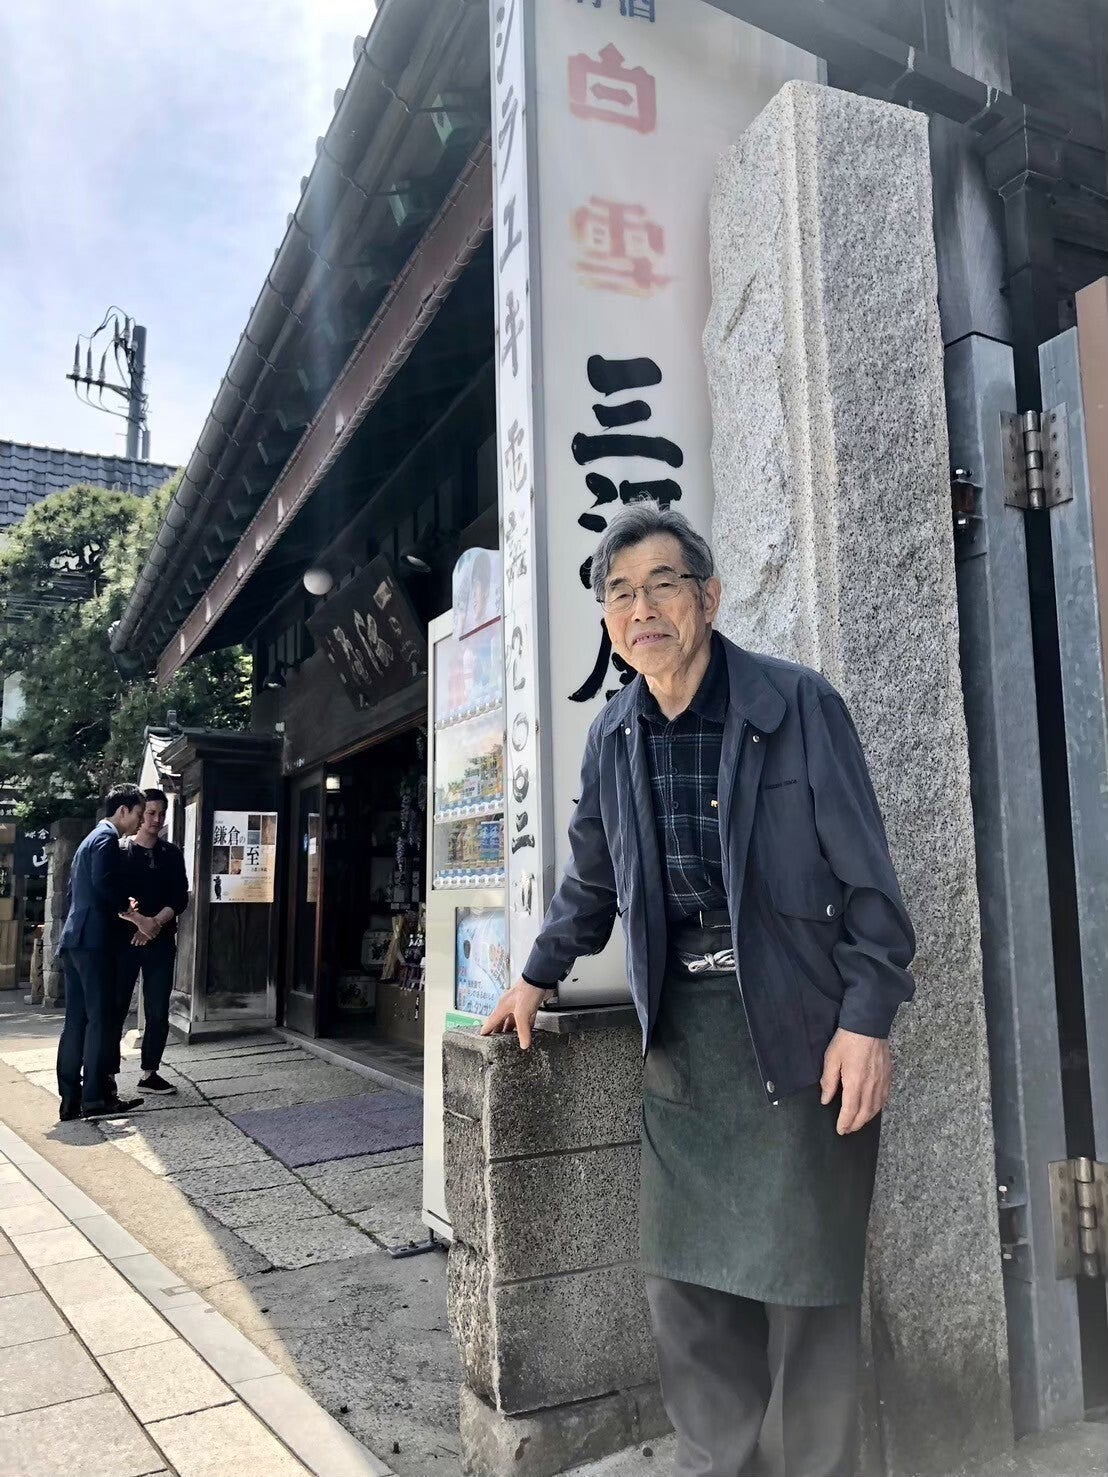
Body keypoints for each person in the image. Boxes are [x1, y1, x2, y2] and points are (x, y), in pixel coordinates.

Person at [482, 500, 915, 1477]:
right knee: (685, 1289)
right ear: (607, 620)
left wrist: (867, 1022)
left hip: (802, 1031)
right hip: (684, 1041)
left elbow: (872, 890)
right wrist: (535, 975)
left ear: (709, 598)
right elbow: (593, 881)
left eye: (662, 585)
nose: (641, 608)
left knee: (807, 1294)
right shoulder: (614, 735)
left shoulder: (796, 706)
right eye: (619, 594)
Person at [56, 784, 155, 1121]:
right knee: (100, 1019)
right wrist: (133, 914)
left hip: (75, 938)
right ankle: (96, 1098)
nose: (140, 822)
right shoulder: (107, 839)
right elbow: (104, 885)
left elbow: (77, 891)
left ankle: (70, 1099)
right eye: (138, 814)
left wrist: (119, 904)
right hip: (95, 941)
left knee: (75, 1021)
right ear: (123, 810)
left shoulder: (88, 840)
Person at [111, 788, 190, 1096]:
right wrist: (140, 924)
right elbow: (113, 896)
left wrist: (154, 924)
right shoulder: (121, 851)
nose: (156, 819)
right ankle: (108, 1072)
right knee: (116, 1006)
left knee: (158, 1009)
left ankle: (150, 1072)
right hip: (125, 939)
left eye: (161, 814)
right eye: (151, 813)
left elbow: (180, 897)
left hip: (161, 938)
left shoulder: (171, 853)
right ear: (140, 813)